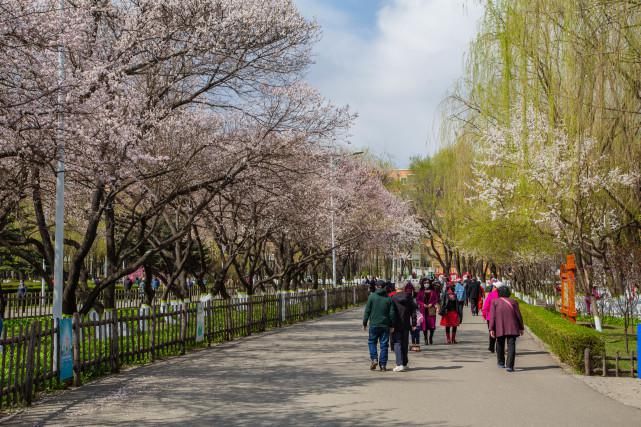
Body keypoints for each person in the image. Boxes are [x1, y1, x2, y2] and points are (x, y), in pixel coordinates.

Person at [363, 280, 396, 371]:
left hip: (374, 324)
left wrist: (364, 323)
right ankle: (383, 365)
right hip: (385, 325)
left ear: (376, 287)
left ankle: (374, 359)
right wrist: (392, 325)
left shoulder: (371, 297)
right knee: (384, 345)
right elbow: (392, 313)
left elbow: (367, 311)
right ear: (384, 287)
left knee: (372, 342)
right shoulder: (388, 298)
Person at [489, 286, 524, 372]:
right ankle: (510, 366)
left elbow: (492, 317)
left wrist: (491, 328)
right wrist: (521, 327)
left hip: (499, 327)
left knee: (500, 344)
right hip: (512, 327)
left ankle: (501, 362)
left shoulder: (495, 302)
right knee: (511, 345)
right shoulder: (513, 302)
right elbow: (518, 316)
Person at [390, 282, 417, 371]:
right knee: (405, 343)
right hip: (406, 324)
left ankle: (399, 364)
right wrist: (414, 323)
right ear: (404, 288)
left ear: (396, 288)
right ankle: (404, 363)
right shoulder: (409, 297)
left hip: (396, 324)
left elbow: (392, 313)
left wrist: (391, 324)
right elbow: (414, 311)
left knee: (397, 343)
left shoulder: (393, 298)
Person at [482, 281, 501, 353]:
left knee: (491, 332)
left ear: (496, 288)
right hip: (500, 317)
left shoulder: (490, 295)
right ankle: (498, 348)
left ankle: (491, 347)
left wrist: (484, 315)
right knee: (499, 332)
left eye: (493, 286)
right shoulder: (502, 295)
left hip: (490, 317)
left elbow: (486, 306)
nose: (492, 288)